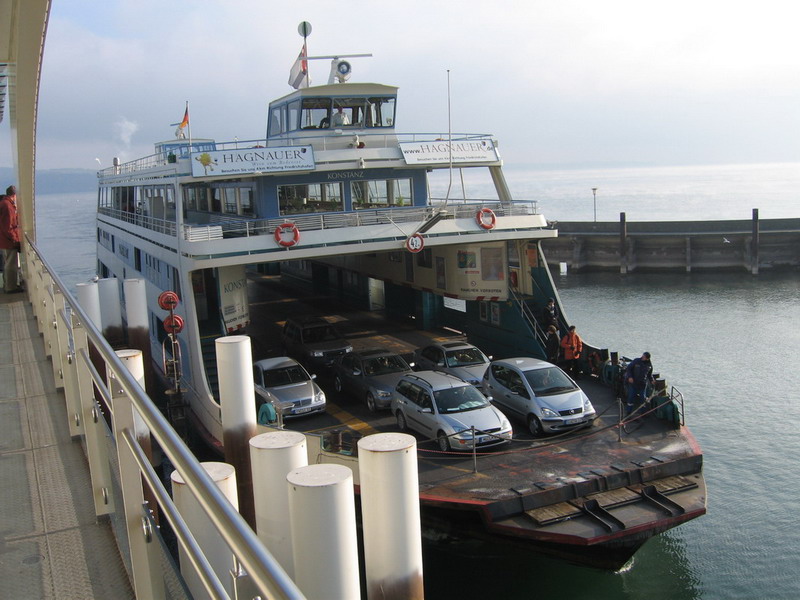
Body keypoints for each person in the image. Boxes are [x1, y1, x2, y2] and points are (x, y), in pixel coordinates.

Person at [0, 185, 22, 293]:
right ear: (14, 195)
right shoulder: (8, 206)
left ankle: (7, 285)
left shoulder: (4, 203)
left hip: (3, 240)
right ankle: (11, 287)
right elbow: (8, 226)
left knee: (7, 263)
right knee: (10, 264)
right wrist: (15, 240)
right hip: (8, 241)